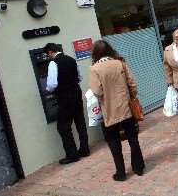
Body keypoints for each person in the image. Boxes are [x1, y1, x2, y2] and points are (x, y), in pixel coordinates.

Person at [89, 40, 145, 181]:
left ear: (95, 53)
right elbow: (132, 84)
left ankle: (121, 173)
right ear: (109, 50)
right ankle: (138, 167)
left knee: (114, 142)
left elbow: (97, 91)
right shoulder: (120, 63)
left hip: (109, 111)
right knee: (133, 138)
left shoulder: (94, 69)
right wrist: (131, 96)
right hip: (126, 107)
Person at [44, 43, 90, 165]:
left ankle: (72, 155)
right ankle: (84, 149)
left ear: (50, 52)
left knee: (63, 127)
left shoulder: (53, 63)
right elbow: (79, 77)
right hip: (76, 92)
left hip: (64, 96)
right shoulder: (71, 59)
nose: (48, 57)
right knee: (80, 121)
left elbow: (52, 84)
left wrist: (48, 90)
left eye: (47, 54)